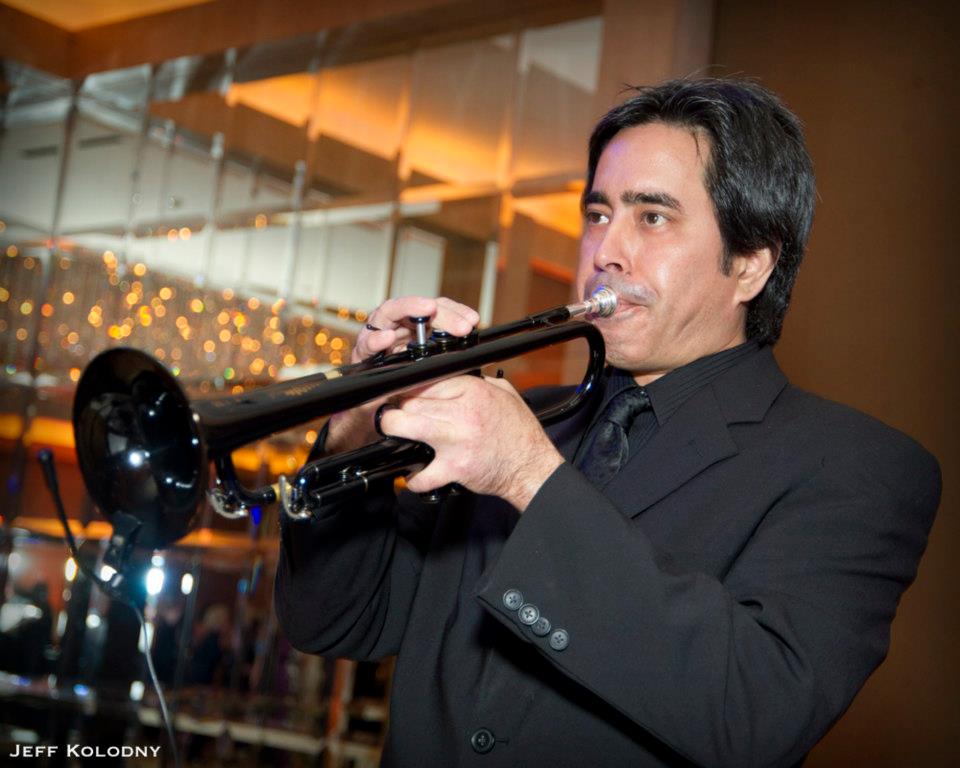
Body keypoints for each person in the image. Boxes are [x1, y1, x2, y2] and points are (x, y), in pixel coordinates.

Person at [275, 79, 941, 766]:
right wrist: (356, 420)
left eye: (652, 217)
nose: (604, 251)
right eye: (598, 213)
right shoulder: (521, 419)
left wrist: (529, 477)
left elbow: (757, 717)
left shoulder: (856, 467)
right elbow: (336, 622)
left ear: (749, 265)